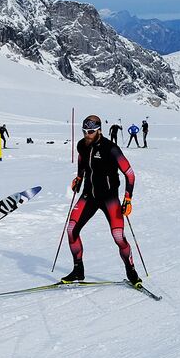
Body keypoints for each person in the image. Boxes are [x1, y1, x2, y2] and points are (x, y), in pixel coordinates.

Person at [63, 116, 140, 286]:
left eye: (90, 132)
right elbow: (83, 160)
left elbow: (130, 174)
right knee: (71, 229)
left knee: (118, 236)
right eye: (84, 131)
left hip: (109, 198)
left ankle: (131, 270)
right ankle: (78, 270)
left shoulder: (111, 148)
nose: (87, 135)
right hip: (88, 195)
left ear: (98, 130)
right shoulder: (82, 145)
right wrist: (79, 177)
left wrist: (128, 198)